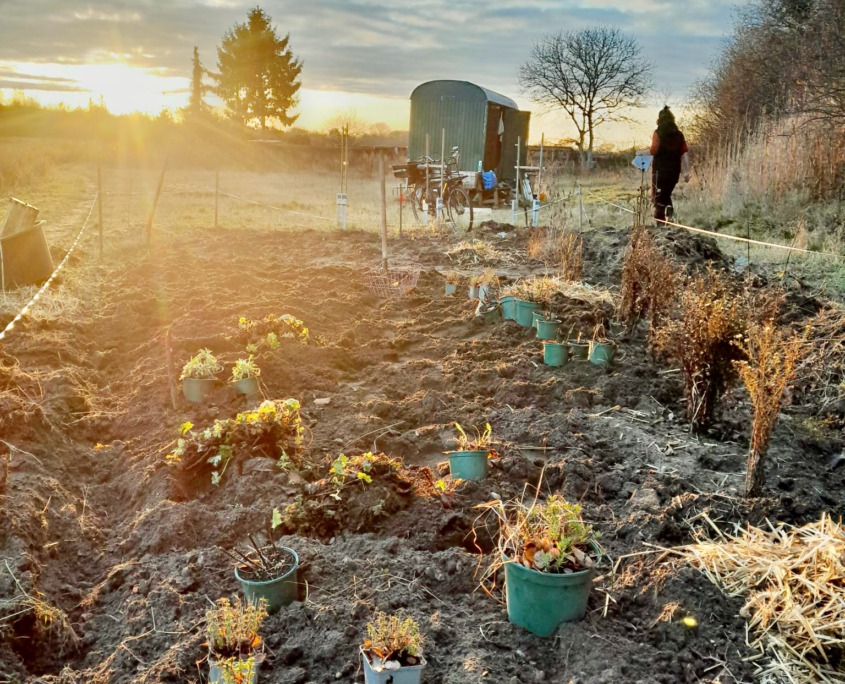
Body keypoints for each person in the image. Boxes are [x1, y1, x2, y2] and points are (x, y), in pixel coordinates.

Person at [650, 106, 690, 222]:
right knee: (666, 194)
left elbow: (653, 150)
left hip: (659, 171)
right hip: (674, 172)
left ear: (659, 119)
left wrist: (641, 153)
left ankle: (661, 222)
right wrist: (687, 171)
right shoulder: (679, 135)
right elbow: (685, 153)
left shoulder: (658, 133)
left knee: (658, 198)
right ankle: (669, 213)